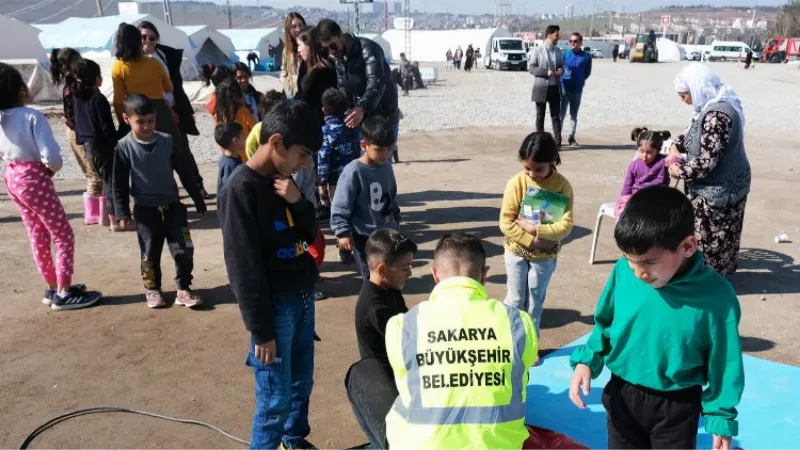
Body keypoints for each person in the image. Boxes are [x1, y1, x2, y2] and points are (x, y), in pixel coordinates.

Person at [569, 186, 744, 450]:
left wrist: (721, 414)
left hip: (677, 406)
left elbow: (724, 360)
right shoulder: (623, 272)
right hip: (622, 395)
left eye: (648, 262)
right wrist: (587, 361)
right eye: (630, 259)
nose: (638, 272)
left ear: (687, 246)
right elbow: (605, 322)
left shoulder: (717, 297)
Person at [218, 99, 323, 450]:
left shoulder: (286, 182)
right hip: (274, 309)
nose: (304, 163)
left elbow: (311, 235)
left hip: (303, 299)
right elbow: (243, 268)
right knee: (274, 398)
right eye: (302, 154)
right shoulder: (240, 191)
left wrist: (298, 202)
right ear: (276, 142)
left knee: (301, 385)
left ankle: (294, 440)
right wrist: (261, 330)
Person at [384, 232, 539, 449]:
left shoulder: (403, 326)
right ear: (484, 274)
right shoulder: (519, 323)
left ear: (435, 274)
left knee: (365, 374)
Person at [0, 62, 103, 311]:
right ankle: (65, 292)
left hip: (12, 176)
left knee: (37, 233)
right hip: (34, 176)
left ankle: (53, 286)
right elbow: (52, 157)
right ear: (20, 89)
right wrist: (48, 170)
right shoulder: (31, 116)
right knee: (62, 234)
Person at [112, 94, 207, 309]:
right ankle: (152, 290)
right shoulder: (123, 147)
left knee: (184, 249)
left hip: (173, 206)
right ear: (127, 119)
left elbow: (183, 171)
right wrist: (122, 213)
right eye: (140, 122)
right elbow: (117, 182)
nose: (146, 126)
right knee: (149, 252)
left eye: (150, 121)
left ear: (155, 117)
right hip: (146, 211)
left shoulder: (167, 141)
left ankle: (183, 288)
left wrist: (198, 200)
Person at [667, 63, 750, 276]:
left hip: (722, 188)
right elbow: (695, 135)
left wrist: (679, 170)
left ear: (697, 88)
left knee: (714, 241)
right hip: (726, 183)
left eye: (684, 94)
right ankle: (717, 277)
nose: (683, 100)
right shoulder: (710, 106)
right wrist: (677, 144)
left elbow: (706, 162)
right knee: (721, 238)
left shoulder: (717, 115)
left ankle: (712, 284)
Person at [346, 229, 417, 450]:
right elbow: (411, 344)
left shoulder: (389, 289)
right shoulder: (375, 307)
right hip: (383, 389)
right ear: (383, 270)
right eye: (405, 268)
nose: (411, 273)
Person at [500, 132, 574, 339]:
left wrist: (538, 230)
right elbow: (505, 222)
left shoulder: (563, 186)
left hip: (545, 257)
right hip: (515, 252)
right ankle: (510, 340)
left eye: (539, 169)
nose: (532, 174)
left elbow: (566, 224)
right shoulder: (516, 183)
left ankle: (531, 346)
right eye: (527, 168)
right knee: (515, 300)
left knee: (534, 301)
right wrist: (531, 240)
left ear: (553, 161)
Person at [139, 21, 209, 199]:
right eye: (143, 37)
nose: (147, 41)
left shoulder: (166, 55)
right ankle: (169, 191)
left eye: (151, 37)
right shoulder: (135, 60)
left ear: (157, 39)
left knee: (182, 150)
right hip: (149, 113)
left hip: (174, 107)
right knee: (158, 153)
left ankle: (197, 186)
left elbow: (174, 83)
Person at [317, 19, 401, 163]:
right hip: (362, 118)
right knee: (362, 165)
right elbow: (343, 89)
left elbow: (376, 83)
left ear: (341, 35)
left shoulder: (369, 49)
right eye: (326, 49)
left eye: (333, 45)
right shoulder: (339, 59)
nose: (331, 51)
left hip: (383, 116)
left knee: (379, 166)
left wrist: (361, 108)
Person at [331, 116, 401, 283]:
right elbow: (341, 205)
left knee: (387, 272)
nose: (385, 154)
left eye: (388, 149)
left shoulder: (387, 167)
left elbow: (391, 195)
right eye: (379, 149)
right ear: (364, 145)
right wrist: (343, 233)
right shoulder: (353, 171)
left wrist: (396, 219)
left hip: (386, 232)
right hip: (363, 236)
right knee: (370, 277)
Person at [50, 47, 103, 223]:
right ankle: (94, 215)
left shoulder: (78, 83)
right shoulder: (74, 88)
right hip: (80, 133)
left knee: (96, 174)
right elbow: (73, 116)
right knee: (93, 175)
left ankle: (100, 211)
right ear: (67, 65)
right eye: (77, 60)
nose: (81, 61)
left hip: (82, 132)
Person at [70, 59, 124, 232]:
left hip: (87, 145)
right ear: (97, 78)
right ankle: (115, 220)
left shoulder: (76, 97)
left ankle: (105, 219)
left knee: (103, 181)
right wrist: (116, 142)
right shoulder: (98, 99)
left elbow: (76, 122)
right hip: (101, 145)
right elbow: (106, 126)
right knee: (111, 183)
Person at [318, 87, 361, 215]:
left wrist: (322, 181)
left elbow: (323, 159)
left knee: (339, 212)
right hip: (354, 175)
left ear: (324, 110)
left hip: (335, 181)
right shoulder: (353, 127)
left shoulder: (326, 131)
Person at [615, 127, 671, 217]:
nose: (644, 155)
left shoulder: (663, 161)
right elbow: (627, 187)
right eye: (641, 151)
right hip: (637, 199)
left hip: (658, 200)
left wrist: (674, 153)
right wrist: (624, 199)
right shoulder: (634, 165)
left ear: (657, 151)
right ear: (637, 149)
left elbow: (678, 160)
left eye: (649, 152)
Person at [529, 25, 564, 147]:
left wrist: (560, 71)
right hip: (541, 88)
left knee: (556, 117)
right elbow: (531, 68)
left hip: (555, 88)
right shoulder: (538, 50)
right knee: (540, 116)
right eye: (556, 34)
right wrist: (545, 72)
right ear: (549, 35)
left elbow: (561, 67)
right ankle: (540, 142)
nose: (558, 37)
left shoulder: (558, 51)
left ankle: (558, 142)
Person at [295, 26, 337, 125]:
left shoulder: (322, 72)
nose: (298, 49)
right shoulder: (306, 66)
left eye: (300, 45)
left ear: (310, 45)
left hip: (318, 125)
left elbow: (306, 101)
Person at [560, 32, 592, 147]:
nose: (573, 43)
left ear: (580, 42)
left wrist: (580, 81)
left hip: (577, 90)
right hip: (564, 88)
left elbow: (588, 72)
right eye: (571, 41)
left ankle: (571, 137)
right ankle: (558, 137)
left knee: (573, 115)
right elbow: (560, 68)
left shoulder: (586, 56)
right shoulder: (565, 54)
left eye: (575, 41)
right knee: (561, 114)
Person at [214, 77, 257, 161]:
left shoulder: (218, 116)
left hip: (230, 156)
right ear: (238, 95)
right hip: (247, 157)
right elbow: (256, 131)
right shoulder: (243, 112)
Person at [280, 12, 307, 98]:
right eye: (294, 26)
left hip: (307, 92)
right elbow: (284, 71)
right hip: (292, 93)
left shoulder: (310, 47)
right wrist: (288, 88)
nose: (298, 29)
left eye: (300, 25)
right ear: (289, 30)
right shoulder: (287, 50)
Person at [215, 122, 244, 191]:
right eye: (243, 136)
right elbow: (231, 190)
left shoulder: (232, 158)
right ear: (236, 140)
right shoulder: (230, 166)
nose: (245, 138)